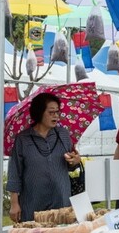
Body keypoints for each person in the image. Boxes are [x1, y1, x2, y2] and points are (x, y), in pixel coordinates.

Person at [6, 92, 81, 223]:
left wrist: (75, 161)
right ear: (39, 112)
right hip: (32, 202)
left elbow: (70, 165)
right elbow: (14, 172)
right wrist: (14, 203)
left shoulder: (63, 135)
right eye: (51, 112)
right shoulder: (23, 139)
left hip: (61, 200)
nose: (56, 116)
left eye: (58, 112)